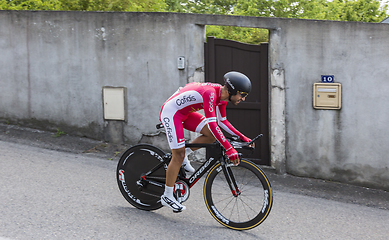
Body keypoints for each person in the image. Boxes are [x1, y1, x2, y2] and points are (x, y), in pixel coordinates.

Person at [159, 71, 253, 212]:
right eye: (242, 95)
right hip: (172, 113)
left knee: (210, 135)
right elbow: (213, 124)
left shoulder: (222, 97)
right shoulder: (210, 94)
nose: (243, 99)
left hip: (185, 112)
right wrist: (228, 148)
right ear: (233, 90)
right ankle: (167, 196)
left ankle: (185, 155)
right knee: (177, 155)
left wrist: (243, 137)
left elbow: (222, 121)